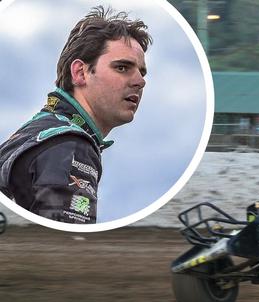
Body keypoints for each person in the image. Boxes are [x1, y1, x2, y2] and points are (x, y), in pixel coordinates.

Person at [0, 6, 152, 224]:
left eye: (142, 71)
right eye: (122, 67)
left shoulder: (37, 131)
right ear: (80, 73)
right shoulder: (71, 145)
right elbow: (64, 241)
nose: (140, 81)